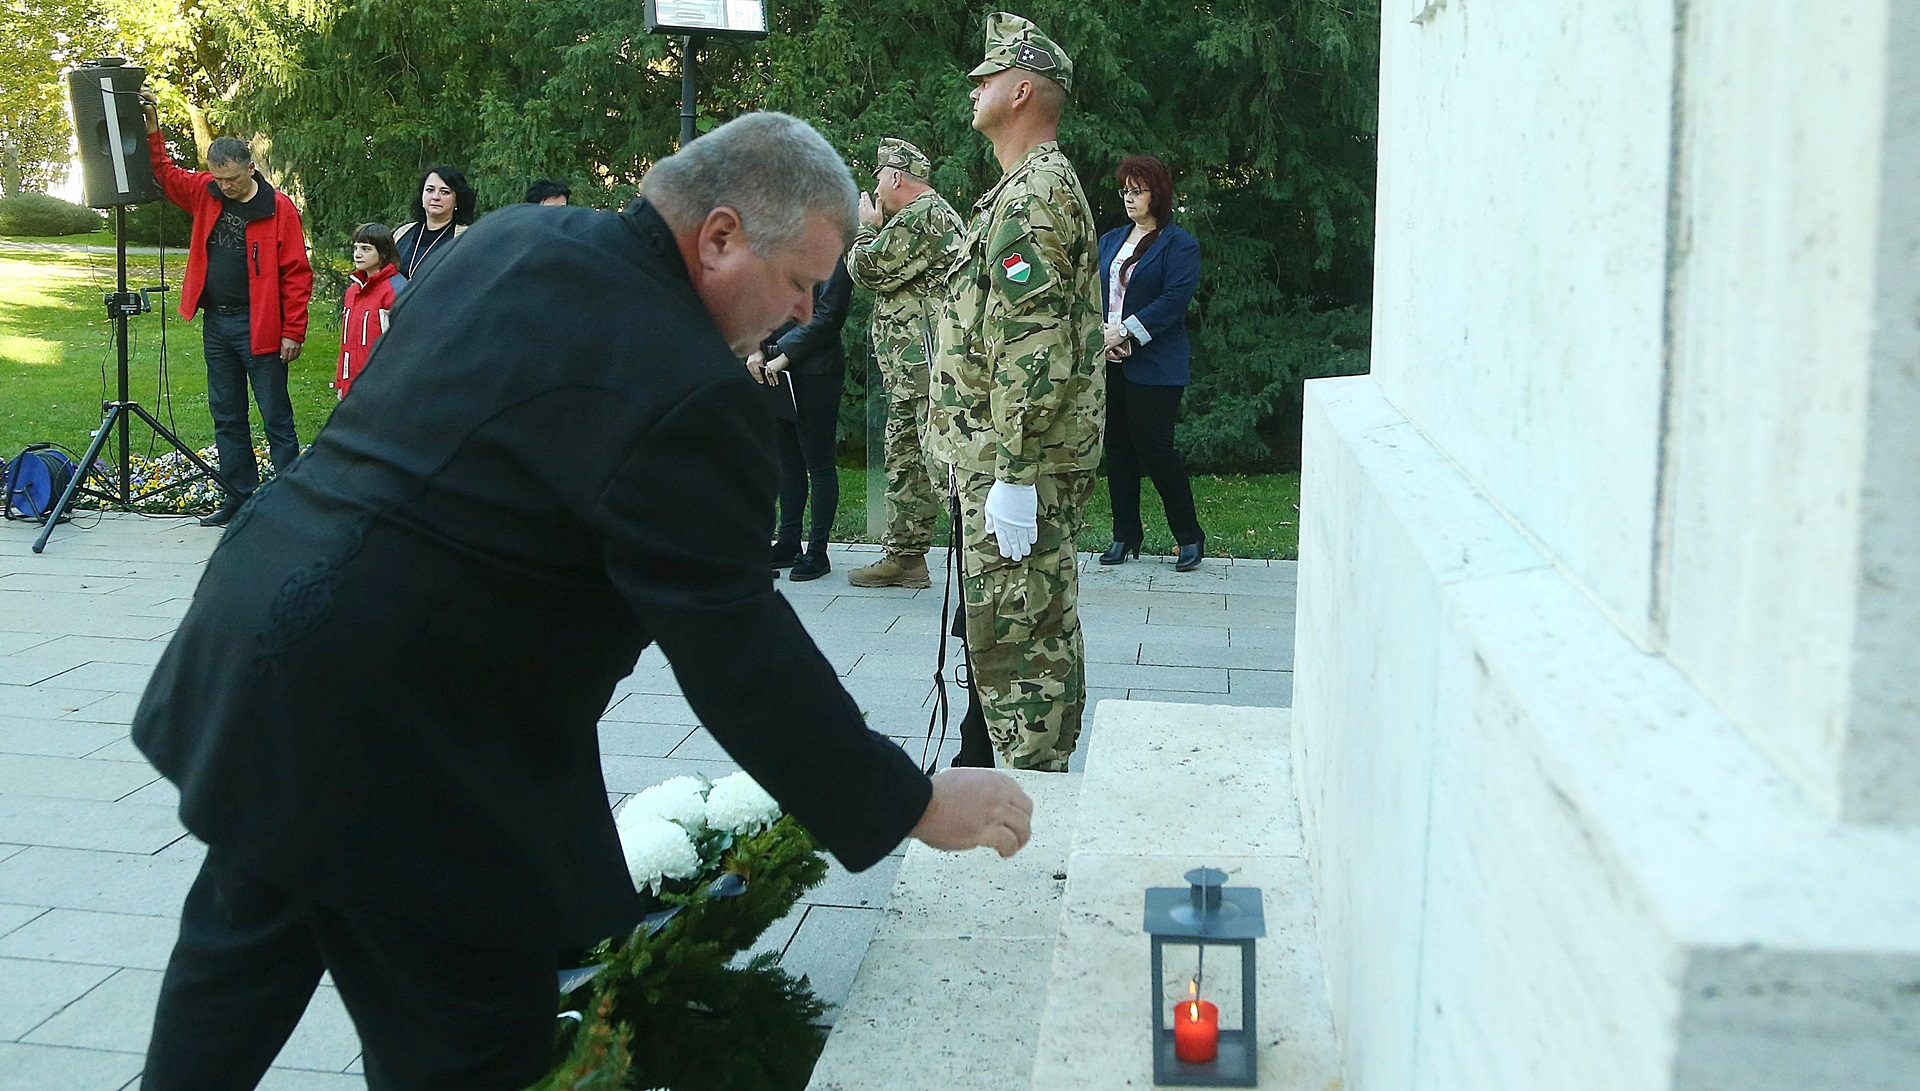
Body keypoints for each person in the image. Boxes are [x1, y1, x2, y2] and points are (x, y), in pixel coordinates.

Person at [130, 111, 1034, 1091]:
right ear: (720, 236)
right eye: (801, 281)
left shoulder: (515, 239)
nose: (802, 311)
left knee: (238, 961)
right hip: (412, 736)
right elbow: (736, 649)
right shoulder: (693, 389)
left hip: (261, 634)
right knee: (474, 1042)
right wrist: (911, 800)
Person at [929, 13, 1103, 772]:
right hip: (993, 458)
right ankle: (995, 774)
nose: (975, 88)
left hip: (1012, 462)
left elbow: (1035, 348)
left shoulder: (1035, 195)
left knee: (1023, 644)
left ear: (1023, 89)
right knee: (1000, 631)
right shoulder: (1016, 189)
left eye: (987, 76)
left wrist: (1014, 472)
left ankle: (1038, 809)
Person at [140, 96, 312, 529]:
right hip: (217, 322)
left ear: (249, 169)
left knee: (276, 415)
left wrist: (294, 330)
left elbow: (296, 274)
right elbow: (165, 174)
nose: (226, 187)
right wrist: (152, 128)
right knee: (227, 413)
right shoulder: (206, 191)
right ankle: (239, 497)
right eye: (219, 179)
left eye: (232, 179)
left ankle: (288, 502)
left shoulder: (279, 208)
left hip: (262, 324)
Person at [844, 138, 964, 590]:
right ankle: (906, 557)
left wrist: (866, 229)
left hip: (929, 370)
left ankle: (983, 562)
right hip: (911, 372)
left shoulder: (922, 216)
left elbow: (868, 268)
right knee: (906, 462)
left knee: (940, 465)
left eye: (878, 176)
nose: (874, 186)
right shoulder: (916, 217)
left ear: (895, 177)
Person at [1097, 155, 1204, 570]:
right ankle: (1125, 536)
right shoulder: (1110, 240)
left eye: (1136, 190)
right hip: (1110, 359)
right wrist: (1106, 336)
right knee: (1118, 448)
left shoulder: (1180, 244)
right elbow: (1094, 291)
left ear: (1156, 194)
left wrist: (1127, 332)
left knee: (1156, 449)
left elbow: (1172, 302)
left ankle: (1189, 537)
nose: (1128, 198)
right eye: (1124, 190)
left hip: (1157, 364)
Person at [748, 254, 854, 581]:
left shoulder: (832, 252)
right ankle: (788, 540)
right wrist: (756, 348)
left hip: (816, 371)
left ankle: (817, 552)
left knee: (818, 462)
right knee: (787, 460)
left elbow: (828, 315)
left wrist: (784, 354)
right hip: (773, 367)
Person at [333, 223, 406, 400]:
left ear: (383, 253)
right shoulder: (353, 291)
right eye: (356, 248)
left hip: (384, 388)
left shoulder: (396, 290)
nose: (357, 254)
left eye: (366, 249)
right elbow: (348, 344)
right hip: (352, 386)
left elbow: (404, 345)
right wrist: (343, 383)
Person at [393, 165, 474, 282]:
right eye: (430, 190)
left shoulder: (465, 238)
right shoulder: (402, 233)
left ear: (457, 200)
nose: (436, 197)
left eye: (445, 192)